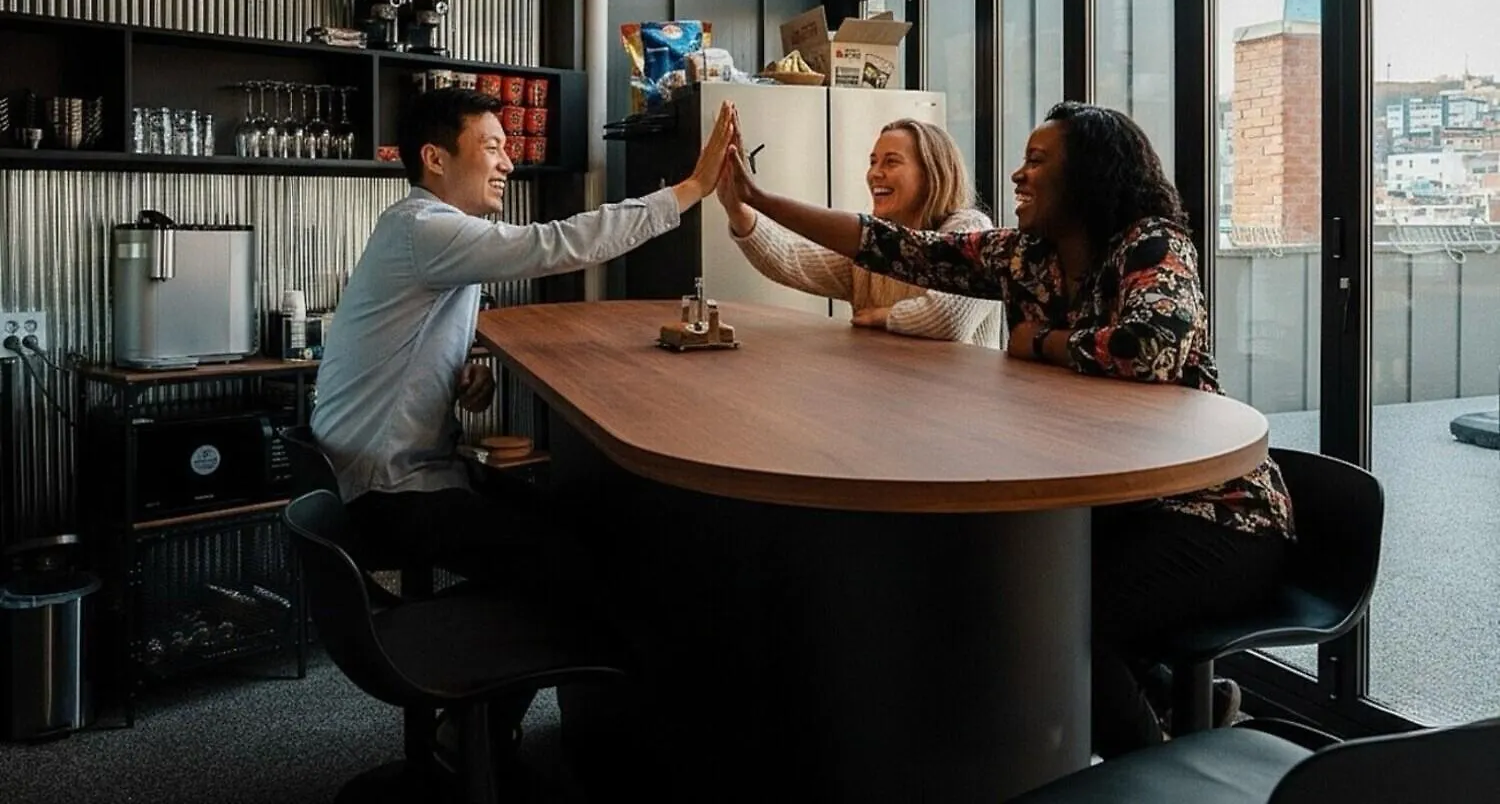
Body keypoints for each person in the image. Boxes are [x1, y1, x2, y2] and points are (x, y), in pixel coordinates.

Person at [717, 100, 1294, 757]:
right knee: (1001, 589)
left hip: (1218, 513)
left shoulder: (1151, 245)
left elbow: (1154, 346)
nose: (1018, 175)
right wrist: (759, 200)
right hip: (1111, 508)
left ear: (1088, 173)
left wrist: (1041, 341)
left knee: (1063, 627)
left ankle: (1155, 776)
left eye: (1037, 161)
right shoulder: (1025, 257)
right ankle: (1172, 710)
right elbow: (894, 247)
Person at [311, 87, 736, 602]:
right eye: (491, 148)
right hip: (388, 491)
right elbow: (555, 243)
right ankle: (528, 646)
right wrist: (692, 189)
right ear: (435, 159)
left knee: (575, 523)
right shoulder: (425, 228)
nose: (508, 164)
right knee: (576, 555)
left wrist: (459, 373)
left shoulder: (420, 228)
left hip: (395, 472)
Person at [721, 116, 1001, 347]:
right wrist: (737, 209)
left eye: (891, 162)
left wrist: (881, 317)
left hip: (959, 398)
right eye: (873, 162)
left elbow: (948, 318)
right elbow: (792, 260)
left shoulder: (971, 228)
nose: (874, 174)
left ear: (932, 174)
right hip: (894, 389)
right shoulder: (875, 246)